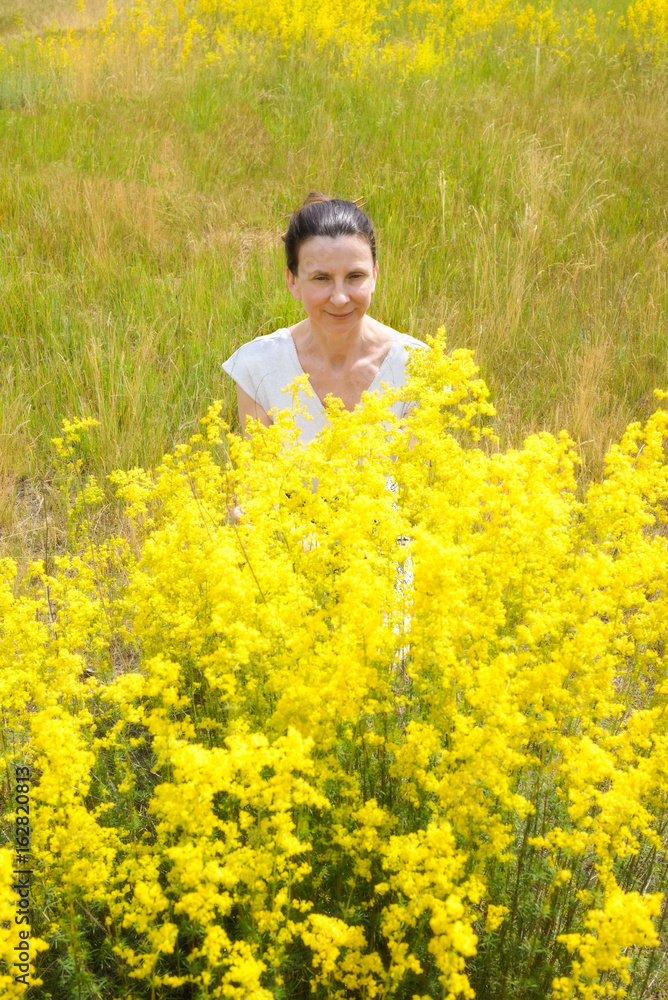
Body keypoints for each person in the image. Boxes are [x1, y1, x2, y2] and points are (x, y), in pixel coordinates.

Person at [222, 193, 427, 444]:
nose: (340, 298)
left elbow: (414, 469)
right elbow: (257, 468)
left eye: (355, 276)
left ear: (374, 275)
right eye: (322, 278)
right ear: (292, 281)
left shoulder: (417, 367)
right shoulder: (258, 367)